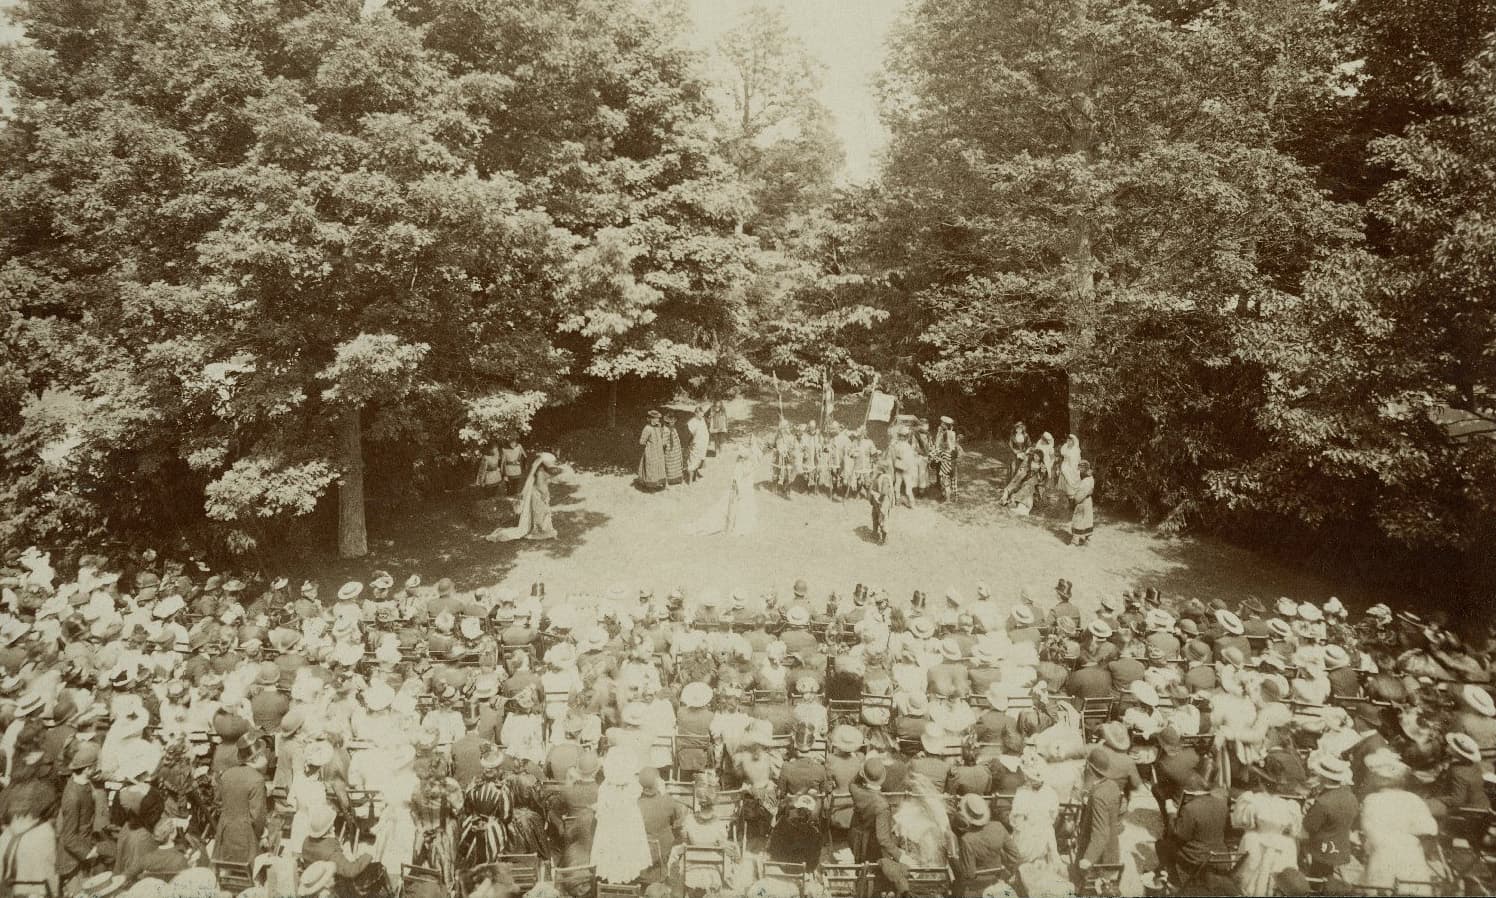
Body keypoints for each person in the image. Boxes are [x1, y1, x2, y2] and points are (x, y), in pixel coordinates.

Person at [592, 749, 652, 884]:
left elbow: (600, 812)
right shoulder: (633, 787)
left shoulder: (605, 788)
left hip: (612, 830)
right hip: (626, 830)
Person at [485, 450, 566, 542]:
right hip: (537, 494)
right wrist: (544, 494)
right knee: (540, 513)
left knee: (542, 513)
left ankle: (542, 529)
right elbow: (540, 485)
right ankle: (539, 530)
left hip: (537, 493)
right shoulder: (539, 472)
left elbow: (543, 481)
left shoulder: (541, 470)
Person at [637, 410, 669, 491]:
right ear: (651, 419)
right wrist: (649, 446)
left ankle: (662, 483)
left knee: (660, 466)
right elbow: (641, 441)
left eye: (658, 418)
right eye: (656, 418)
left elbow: (661, 436)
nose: (658, 420)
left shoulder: (658, 426)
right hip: (651, 451)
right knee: (651, 468)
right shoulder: (647, 428)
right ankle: (650, 485)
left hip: (659, 451)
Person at [931, 416, 962, 501]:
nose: (941, 424)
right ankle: (954, 496)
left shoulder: (944, 433)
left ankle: (945, 495)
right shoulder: (952, 433)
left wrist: (939, 433)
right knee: (953, 478)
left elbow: (939, 444)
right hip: (951, 457)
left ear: (946, 425)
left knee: (944, 477)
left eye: (942, 423)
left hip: (944, 456)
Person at [1069, 459, 1095, 547]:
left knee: (1079, 519)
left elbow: (1082, 493)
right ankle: (1087, 539)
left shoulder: (1087, 480)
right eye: (1079, 467)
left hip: (1083, 501)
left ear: (1087, 468)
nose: (1080, 469)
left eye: (1083, 467)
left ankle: (1075, 541)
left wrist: (1074, 501)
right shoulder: (1084, 478)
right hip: (1086, 501)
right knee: (1086, 519)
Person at [868, 461, 894, 545]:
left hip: (882, 501)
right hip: (877, 500)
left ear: (881, 469)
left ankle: (884, 539)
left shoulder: (885, 478)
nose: (875, 468)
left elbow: (884, 492)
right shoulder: (879, 476)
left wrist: (879, 499)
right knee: (874, 515)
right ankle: (874, 533)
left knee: (882, 518)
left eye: (877, 467)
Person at [686, 406, 709, 484]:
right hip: (695, 444)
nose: (701, 415)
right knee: (692, 462)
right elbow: (689, 435)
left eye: (702, 413)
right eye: (699, 413)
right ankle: (690, 481)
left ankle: (695, 478)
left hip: (702, 445)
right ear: (695, 413)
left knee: (698, 462)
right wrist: (690, 444)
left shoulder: (702, 420)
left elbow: (704, 431)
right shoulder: (692, 422)